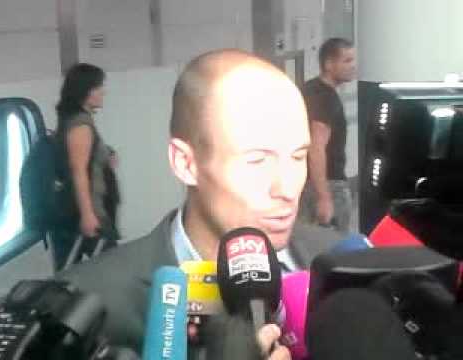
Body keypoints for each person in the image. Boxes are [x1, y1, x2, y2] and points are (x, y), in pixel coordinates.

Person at [58, 50, 341, 357]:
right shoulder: (87, 303)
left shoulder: (340, 265)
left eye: (298, 157)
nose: (287, 188)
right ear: (185, 163)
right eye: (257, 160)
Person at [52, 63, 120, 271]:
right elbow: (78, 171)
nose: (103, 92)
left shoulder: (75, 121)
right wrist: (87, 214)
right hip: (88, 215)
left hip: (82, 213)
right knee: (109, 270)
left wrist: (106, 155)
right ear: (85, 91)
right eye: (98, 87)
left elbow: (84, 160)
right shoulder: (80, 124)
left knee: (84, 270)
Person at [299, 38, 356, 235]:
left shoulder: (310, 88)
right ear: (329, 64)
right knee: (337, 249)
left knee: (310, 246)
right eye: (347, 61)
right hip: (329, 184)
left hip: (308, 183)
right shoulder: (326, 98)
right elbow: (316, 147)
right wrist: (324, 197)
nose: (353, 66)